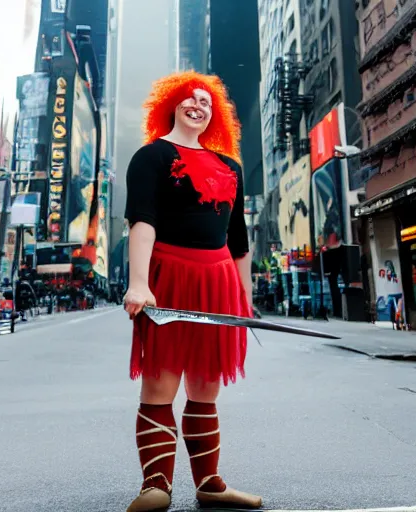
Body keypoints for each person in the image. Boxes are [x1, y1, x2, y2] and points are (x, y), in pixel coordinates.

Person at [123, 71, 262, 512]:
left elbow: (237, 241)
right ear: (172, 105)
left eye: (206, 100)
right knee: (160, 379)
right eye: (189, 98)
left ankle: (210, 483)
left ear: (214, 112)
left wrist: (245, 297)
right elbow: (142, 222)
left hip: (218, 279)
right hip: (168, 278)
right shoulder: (151, 157)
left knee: (206, 384)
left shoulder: (231, 168)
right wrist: (139, 283)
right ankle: (156, 484)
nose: (198, 105)